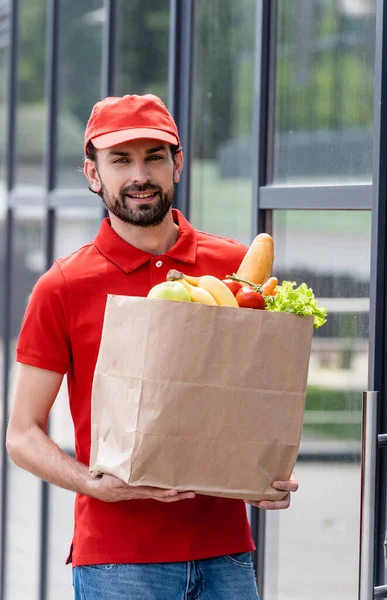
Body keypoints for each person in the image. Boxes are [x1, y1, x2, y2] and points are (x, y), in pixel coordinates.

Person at [6, 94, 298, 600]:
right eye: (120, 159)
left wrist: (268, 467)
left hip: (226, 554)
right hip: (117, 561)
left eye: (154, 156)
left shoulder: (234, 268)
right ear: (92, 173)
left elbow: (259, 394)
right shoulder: (63, 286)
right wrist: (90, 483)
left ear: (177, 164)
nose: (139, 174)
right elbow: (21, 434)